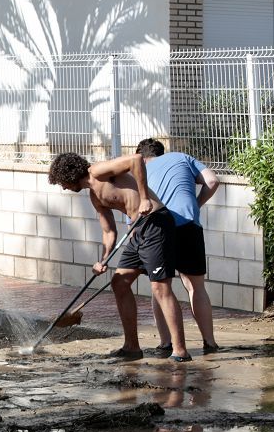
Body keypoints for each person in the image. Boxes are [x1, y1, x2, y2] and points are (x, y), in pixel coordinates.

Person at [47, 152, 191, 362]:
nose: (63, 187)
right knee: (119, 283)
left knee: (160, 287)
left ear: (69, 174)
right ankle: (132, 347)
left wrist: (143, 198)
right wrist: (103, 259)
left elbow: (136, 159)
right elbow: (109, 232)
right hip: (138, 231)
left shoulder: (97, 171)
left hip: (155, 222)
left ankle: (180, 351)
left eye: (62, 182)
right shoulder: (95, 197)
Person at [136, 138, 221, 355]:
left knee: (160, 287)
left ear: (142, 157)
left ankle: (166, 343)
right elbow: (212, 181)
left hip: (156, 229)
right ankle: (210, 343)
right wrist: (195, 205)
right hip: (188, 225)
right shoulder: (182, 158)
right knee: (196, 287)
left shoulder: (140, 171)